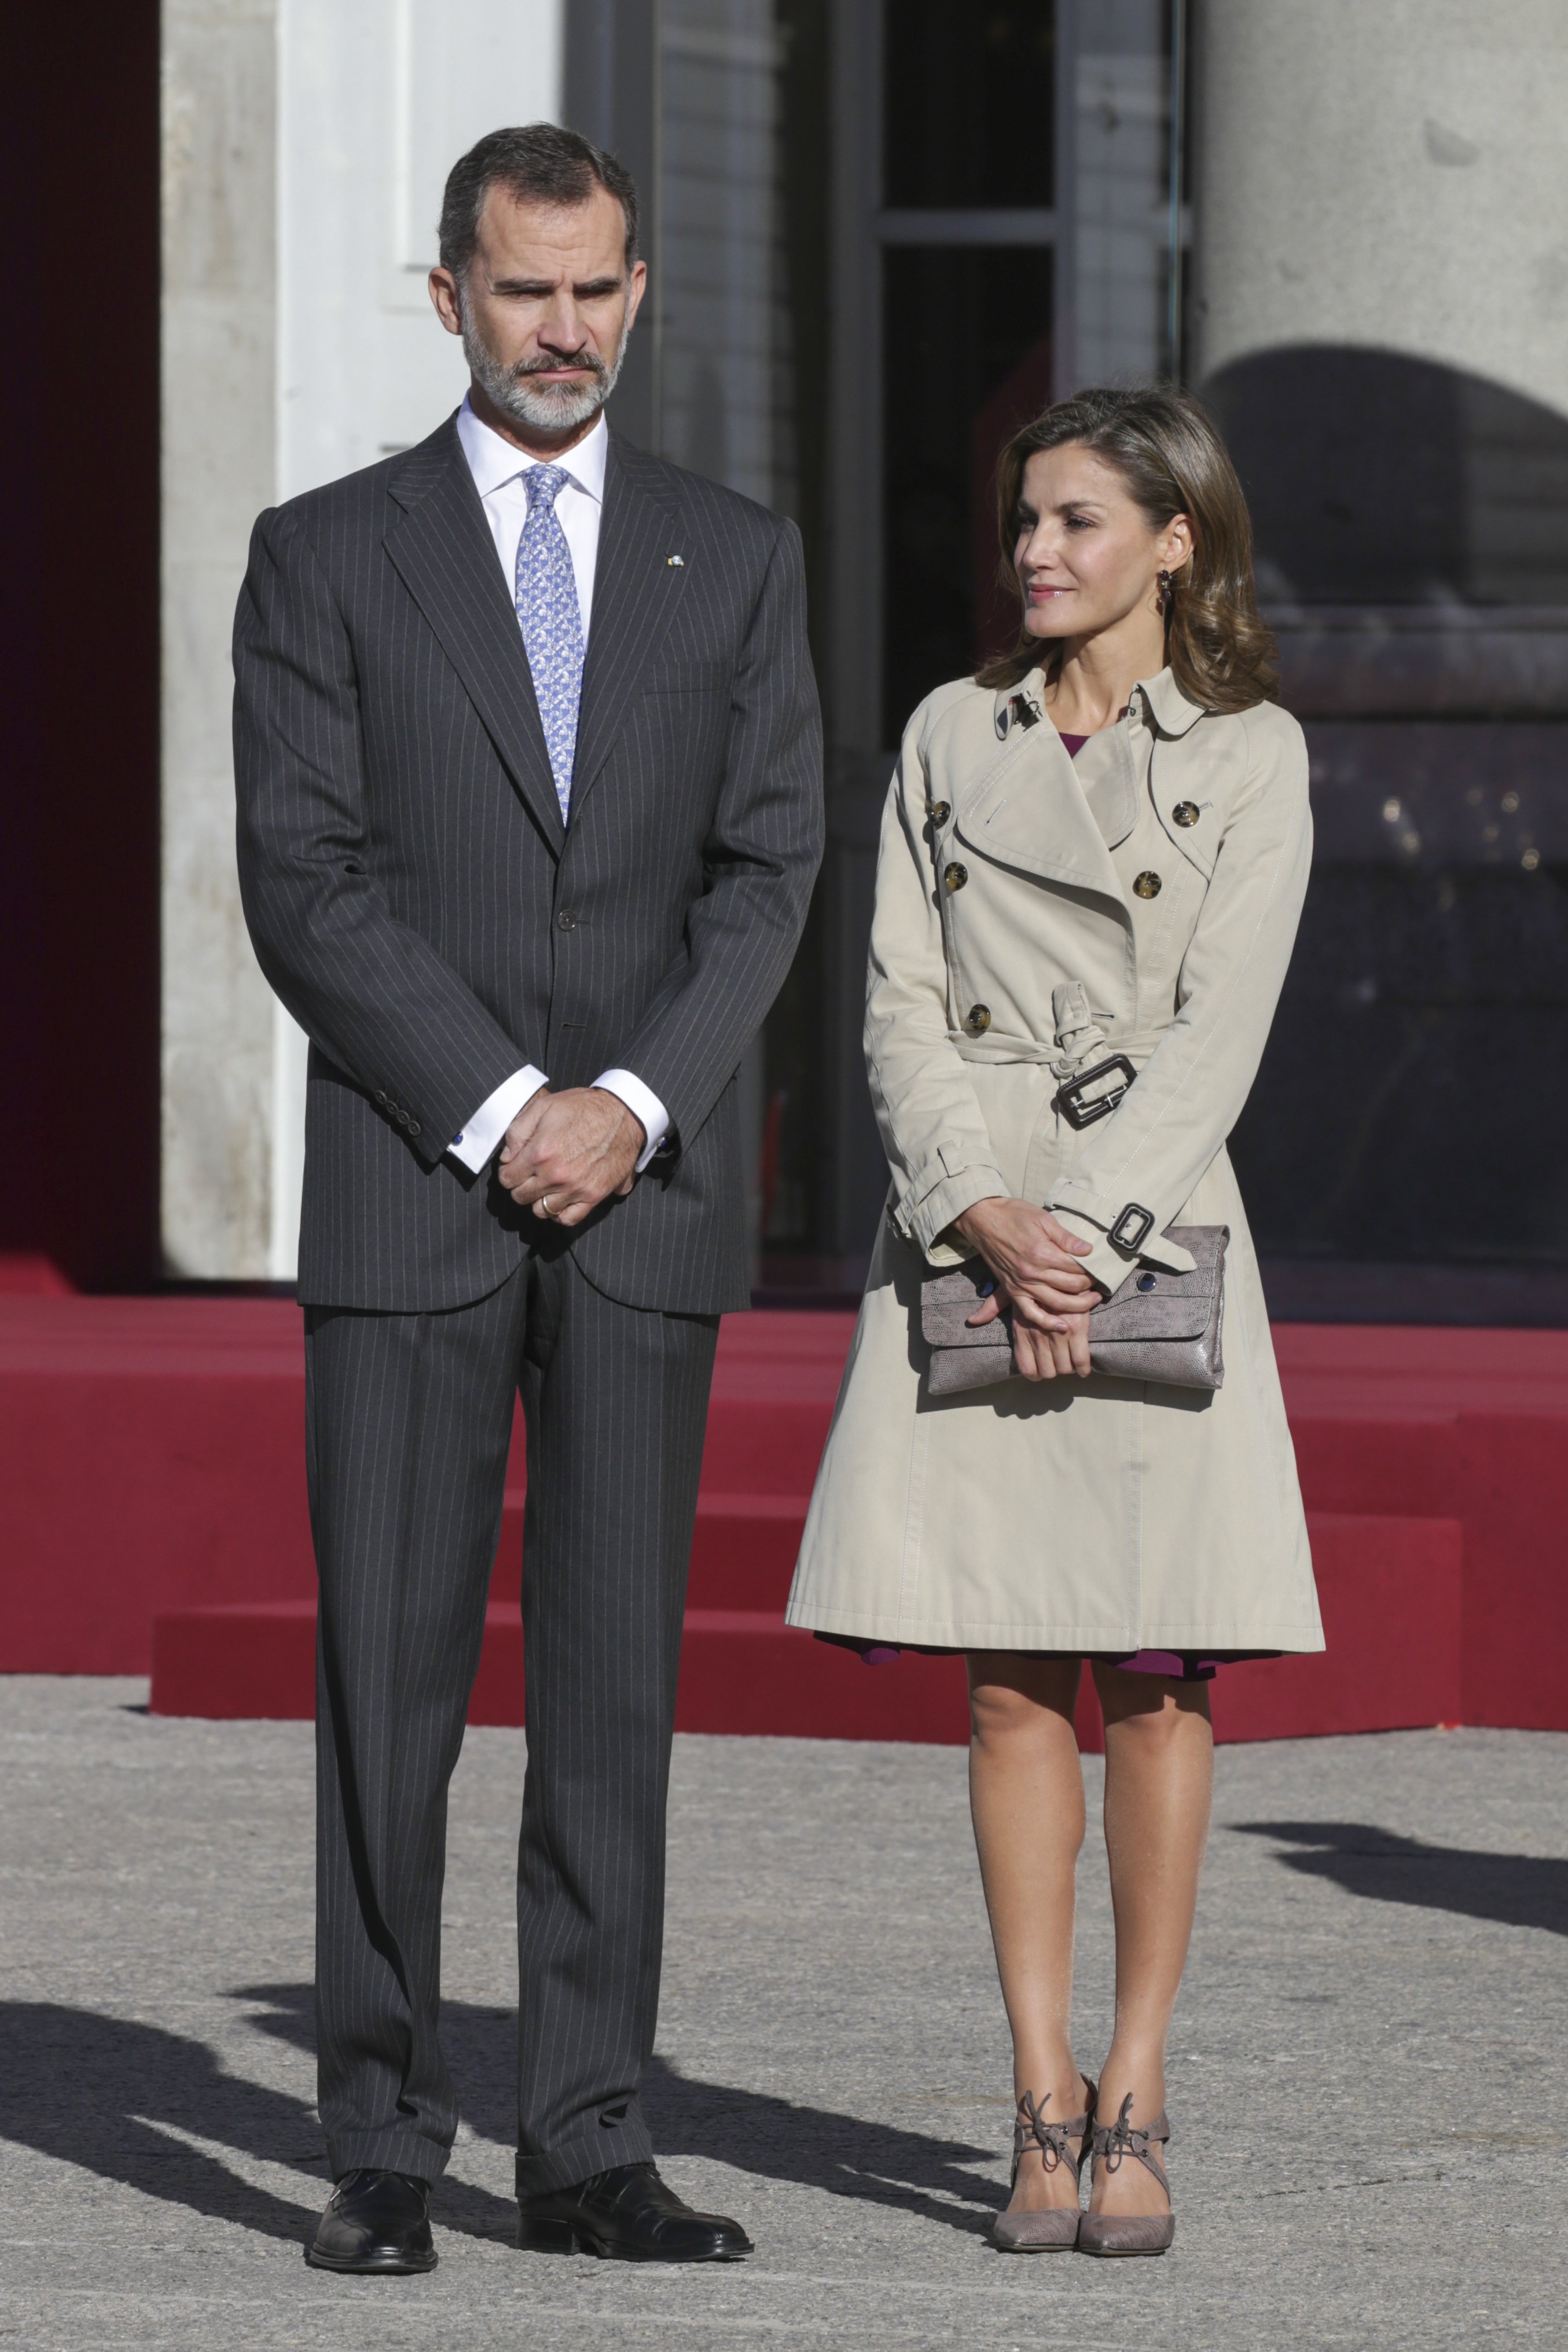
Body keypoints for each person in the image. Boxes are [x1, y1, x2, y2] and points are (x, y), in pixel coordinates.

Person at [234, 123, 822, 2273]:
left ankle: (585, 2138)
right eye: (521, 290)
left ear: (640, 291)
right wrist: (508, 1107)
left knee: (612, 1691)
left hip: (644, 1208)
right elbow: (305, 880)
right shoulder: (324, 555)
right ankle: (384, 2140)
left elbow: (771, 869)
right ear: (449, 297)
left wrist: (639, 1102)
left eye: (595, 290)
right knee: (389, 1684)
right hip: (419, 1194)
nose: (561, 329)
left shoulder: (732, 556)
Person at [786, 387, 1322, 2256]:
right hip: (972, 1217)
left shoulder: (1253, 753)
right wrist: (977, 1210)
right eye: (1025, 520)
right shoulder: (952, 734)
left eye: (1079, 522)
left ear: (1177, 540)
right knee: (1008, 1678)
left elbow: (1222, 1035)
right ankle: (1034, 2103)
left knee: (1163, 1679)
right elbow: (894, 997)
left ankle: (1141, 2089)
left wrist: (1082, 1235)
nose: (1035, 551)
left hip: (1148, 1228)